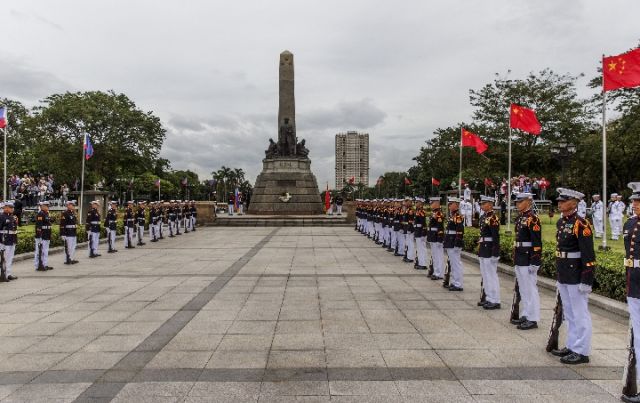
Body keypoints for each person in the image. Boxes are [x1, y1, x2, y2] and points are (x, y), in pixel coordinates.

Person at [550, 188, 595, 365]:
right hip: (564, 272)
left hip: (576, 273)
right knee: (569, 312)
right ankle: (572, 345)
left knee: (580, 313)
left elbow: (588, 255)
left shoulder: (581, 224)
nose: (559, 203)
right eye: (559, 201)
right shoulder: (562, 222)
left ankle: (582, 350)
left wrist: (587, 279)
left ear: (574, 203)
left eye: (564, 200)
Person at [511, 192, 542, 330]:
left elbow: (536, 242)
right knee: (523, 288)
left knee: (530, 288)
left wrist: (535, 261)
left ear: (528, 202)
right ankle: (526, 313)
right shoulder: (520, 218)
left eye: (520, 201)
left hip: (528, 257)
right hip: (520, 256)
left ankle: (533, 317)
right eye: (517, 202)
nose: (517, 204)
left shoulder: (533, 219)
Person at [622, 183, 640, 403]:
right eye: (634, 201)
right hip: (634, 282)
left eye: (638, 201)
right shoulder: (631, 223)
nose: (635, 204)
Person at [478, 195, 501, 309]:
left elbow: (495, 237)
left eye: (484, 203)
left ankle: (495, 299)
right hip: (483, 248)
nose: (482, 205)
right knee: (485, 275)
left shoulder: (493, 218)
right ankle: (489, 297)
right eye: (481, 203)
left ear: (490, 204)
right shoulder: (483, 217)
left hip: (489, 248)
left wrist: (495, 252)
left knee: (491, 275)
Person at [443, 196, 465, 291]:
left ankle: (458, 284)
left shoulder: (457, 216)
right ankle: (454, 281)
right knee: (453, 263)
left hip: (453, 242)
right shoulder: (453, 216)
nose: (449, 206)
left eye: (450, 204)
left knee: (456, 264)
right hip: (450, 240)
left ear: (456, 205)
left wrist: (457, 243)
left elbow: (460, 230)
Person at [0, 201, 19, 281]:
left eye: (12, 207)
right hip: (4, 240)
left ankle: (8, 274)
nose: (12, 209)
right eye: (10, 207)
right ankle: (2, 274)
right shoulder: (1, 216)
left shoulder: (12, 217)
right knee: (3, 258)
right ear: (5, 208)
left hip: (12, 239)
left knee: (10, 258)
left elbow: (14, 229)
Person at [428, 196, 445, 280]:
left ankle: (439, 273)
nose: (430, 204)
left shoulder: (439, 213)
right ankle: (436, 272)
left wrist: (439, 238)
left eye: (432, 203)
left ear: (437, 203)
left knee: (438, 255)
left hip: (436, 236)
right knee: (435, 255)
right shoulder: (434, 212)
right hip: (432, 235)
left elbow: (440, 227)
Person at [34, 201, 53, 271]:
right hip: (41, 235)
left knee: (45, 251)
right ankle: (37, 265)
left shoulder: (46, 214)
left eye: (48, 206)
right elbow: (39, 226)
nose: (48, 207)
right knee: (39, 251)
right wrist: (39, 235)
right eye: (46, 206)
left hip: (46, 235)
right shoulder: (40, 214)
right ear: (42, 206)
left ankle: (44, 264)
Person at [60, 200, 79, 265]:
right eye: (72, 205)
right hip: (68, 233)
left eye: (73, 205)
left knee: (73, 246)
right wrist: (62, 233)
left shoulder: (72, 213)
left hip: (73, 232)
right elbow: (62, 224)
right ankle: (67, 259)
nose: (73, 206)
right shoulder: (65, 213)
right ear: (68, 205)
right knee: (69, 247)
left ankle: (71, 258)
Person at [413, 197, 427, 270]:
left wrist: (423, 232)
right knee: (419, 248)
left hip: (420, 231)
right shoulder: (418, 211)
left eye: (417, 202)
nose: (415, 203)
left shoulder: (421, 212)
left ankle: (423, 263)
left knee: (421, 248)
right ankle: (420, 262)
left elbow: (423, 223)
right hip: (417, 231)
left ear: (421, 203)